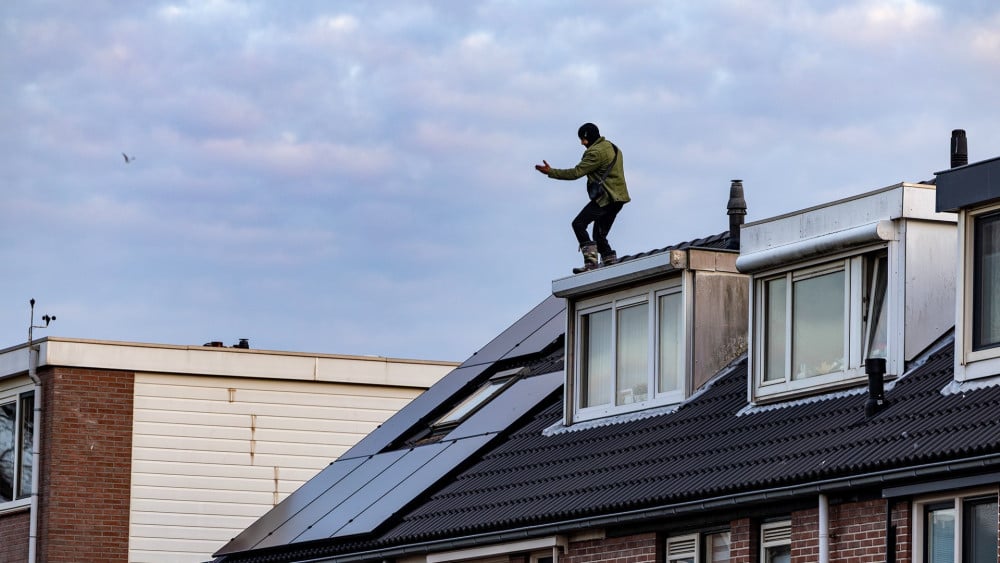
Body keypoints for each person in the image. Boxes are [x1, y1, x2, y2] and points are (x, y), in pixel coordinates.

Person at [535, 122, 630, 273]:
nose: (582, 143)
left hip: (606, 198)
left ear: (589, 137)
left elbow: (576, 173)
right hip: (619, 199)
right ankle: (610, 260)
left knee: (579, 224)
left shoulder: (595, 153)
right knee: (599, 236)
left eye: (583, 139)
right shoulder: (613, 147)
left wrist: (551, 172)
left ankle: (591, 264)